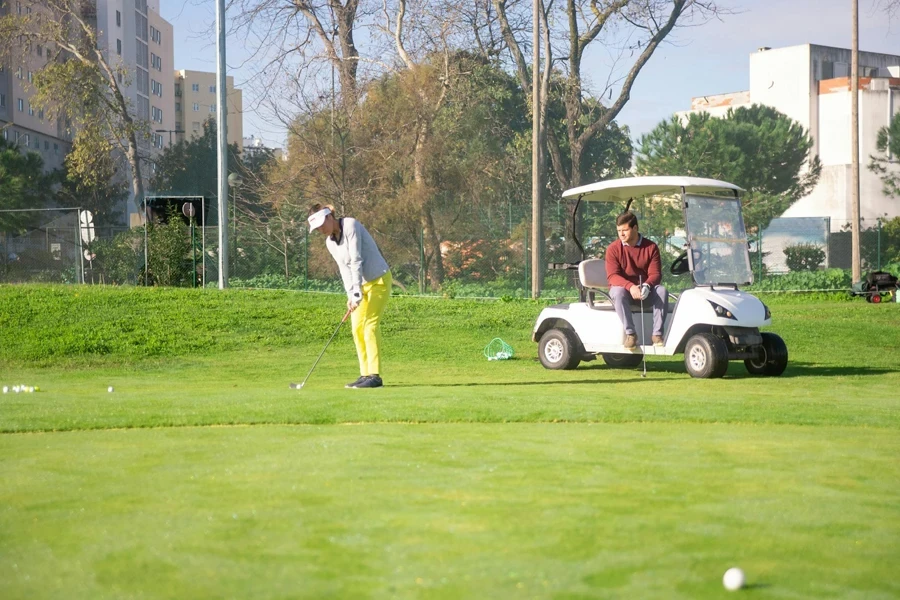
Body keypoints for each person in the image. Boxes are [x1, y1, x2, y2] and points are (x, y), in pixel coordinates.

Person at [308, 204, 392, 389]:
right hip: (360, 286)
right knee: (356, 329)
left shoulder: (351, 225)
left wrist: (356, 292)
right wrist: (351, 294)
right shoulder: (330, 243)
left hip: (378, 280)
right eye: (318, 228)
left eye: (322, 224)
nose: (321, 230)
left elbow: (356, 259)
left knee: (369, 325)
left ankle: (375, 376)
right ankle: (365, 373)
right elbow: (344, 268)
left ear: (330, 217)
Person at [604, 211, 668, 348]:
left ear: (635, 228)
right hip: (625, 292)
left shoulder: (651, 247)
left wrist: (647, 285)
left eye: (625, 230)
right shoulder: (613, 249)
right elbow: (612, 276)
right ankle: (631, 334)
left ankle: (657, 335)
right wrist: (630, 286)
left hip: (646, 292)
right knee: (617, 292)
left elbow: (655, 274)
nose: (621, 234)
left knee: (662, 291)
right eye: (619, 230)